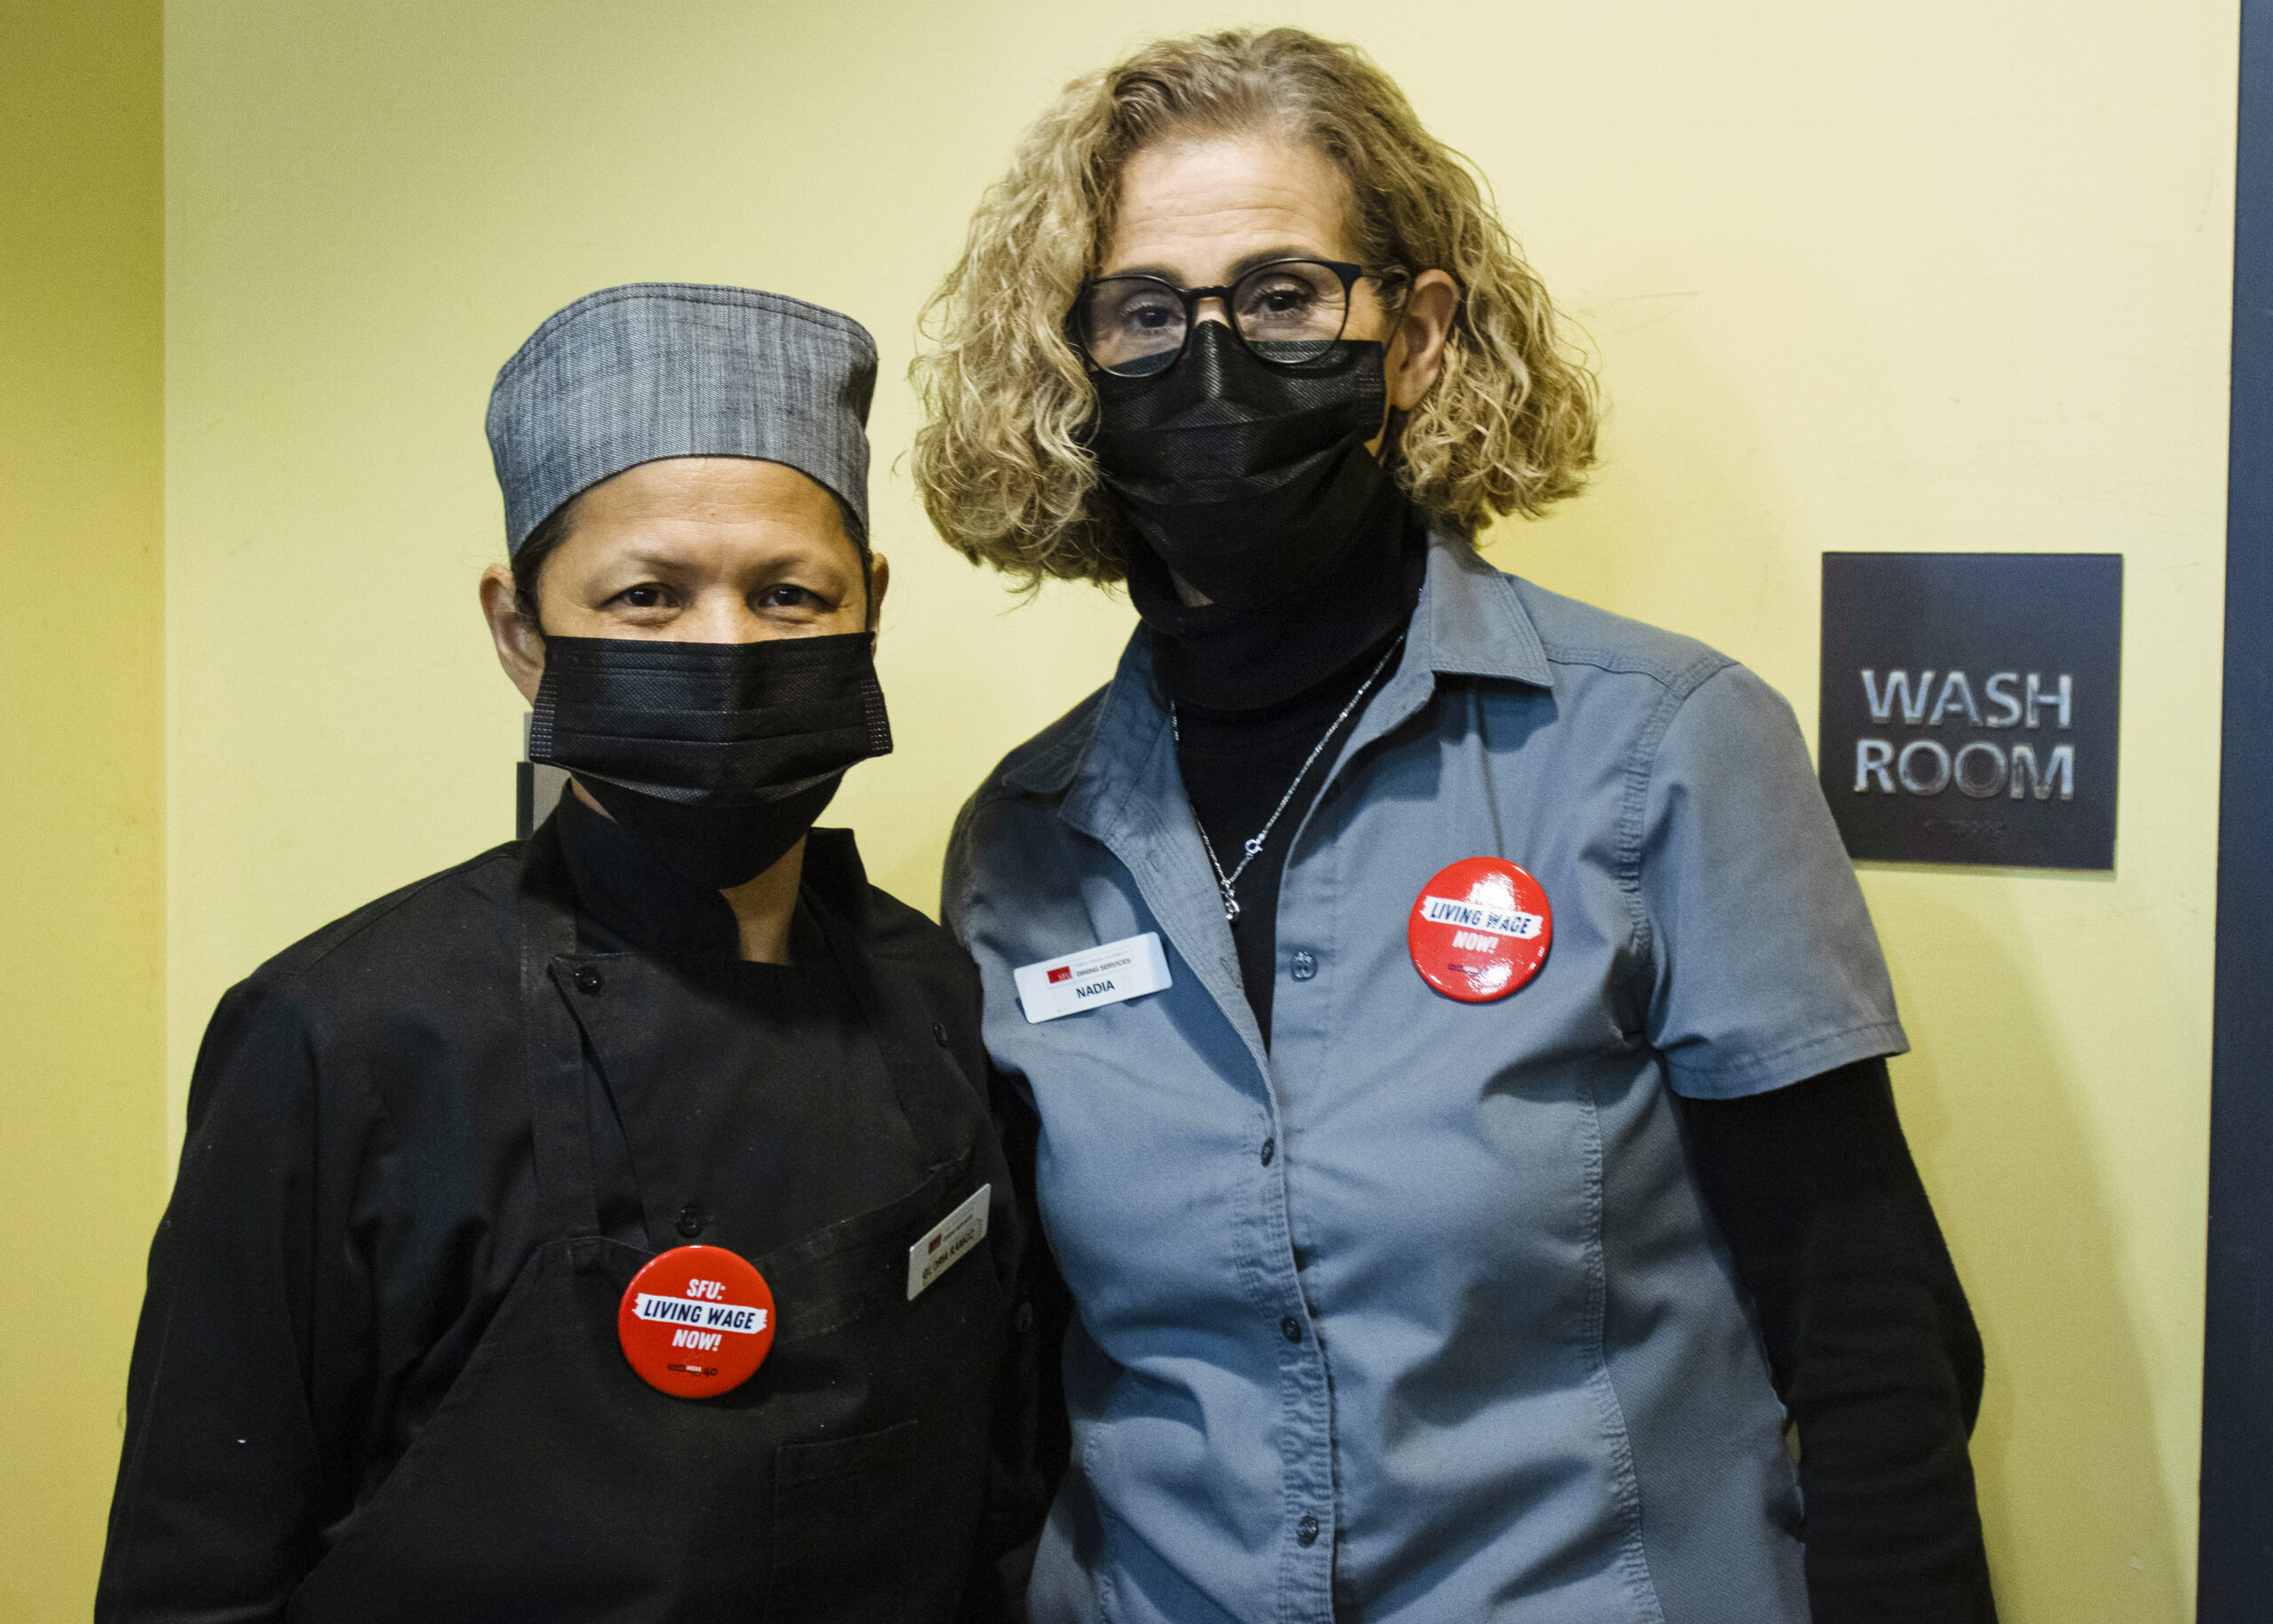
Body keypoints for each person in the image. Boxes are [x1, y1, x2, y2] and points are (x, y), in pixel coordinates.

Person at [915, 29, 1997, 1624]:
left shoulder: (1663, 747)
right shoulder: (1025, 838)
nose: (1212, 361)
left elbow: (1867, 1332)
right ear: (1076, 363)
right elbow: (1015, 1373)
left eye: (1284, 295)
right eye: (1148, 312)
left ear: (1413, 331)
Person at [99, 283, 1043, 1621]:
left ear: (868, 608)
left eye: (787, 593)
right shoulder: (341, 1037)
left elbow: (1003, 1496)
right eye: (648, 596)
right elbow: (192, 1582)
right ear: (519, 632)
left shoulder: (941, 993)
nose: (725, 646)